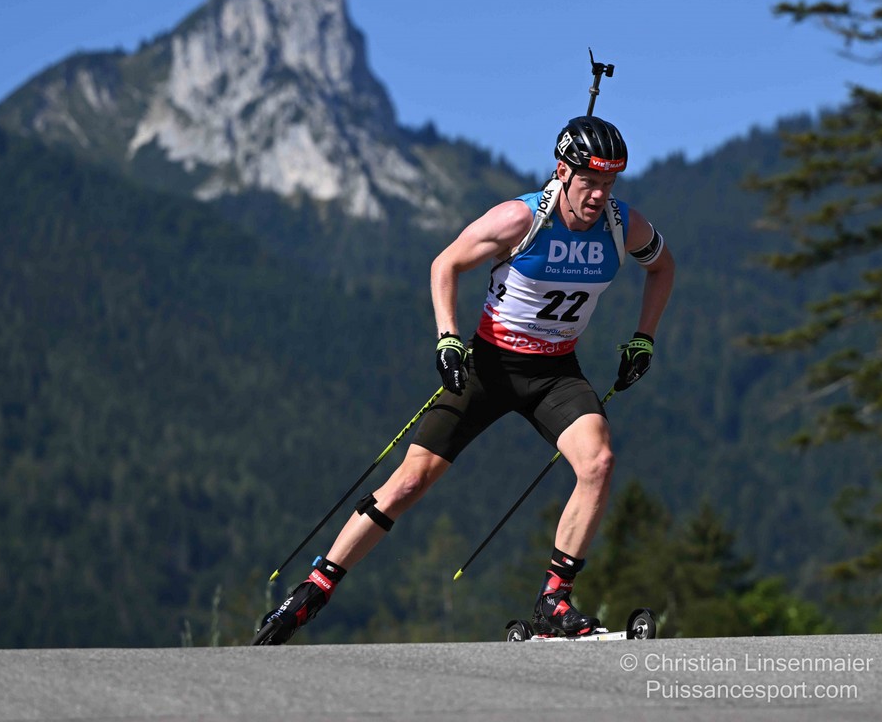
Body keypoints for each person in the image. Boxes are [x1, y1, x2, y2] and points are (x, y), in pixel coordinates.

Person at [255, 116, 675, 644]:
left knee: (599, 462)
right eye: (589, 182)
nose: (599, 196)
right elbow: (445, 264)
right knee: (411, 480)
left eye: (609, 183)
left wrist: (644, 338)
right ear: (562, 172)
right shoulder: (521, 219)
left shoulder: (621, 225)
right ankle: (314, 589)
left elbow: (663, 267)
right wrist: (447, 339)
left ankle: (554, 600)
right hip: (489, 367)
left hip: (555, 373)